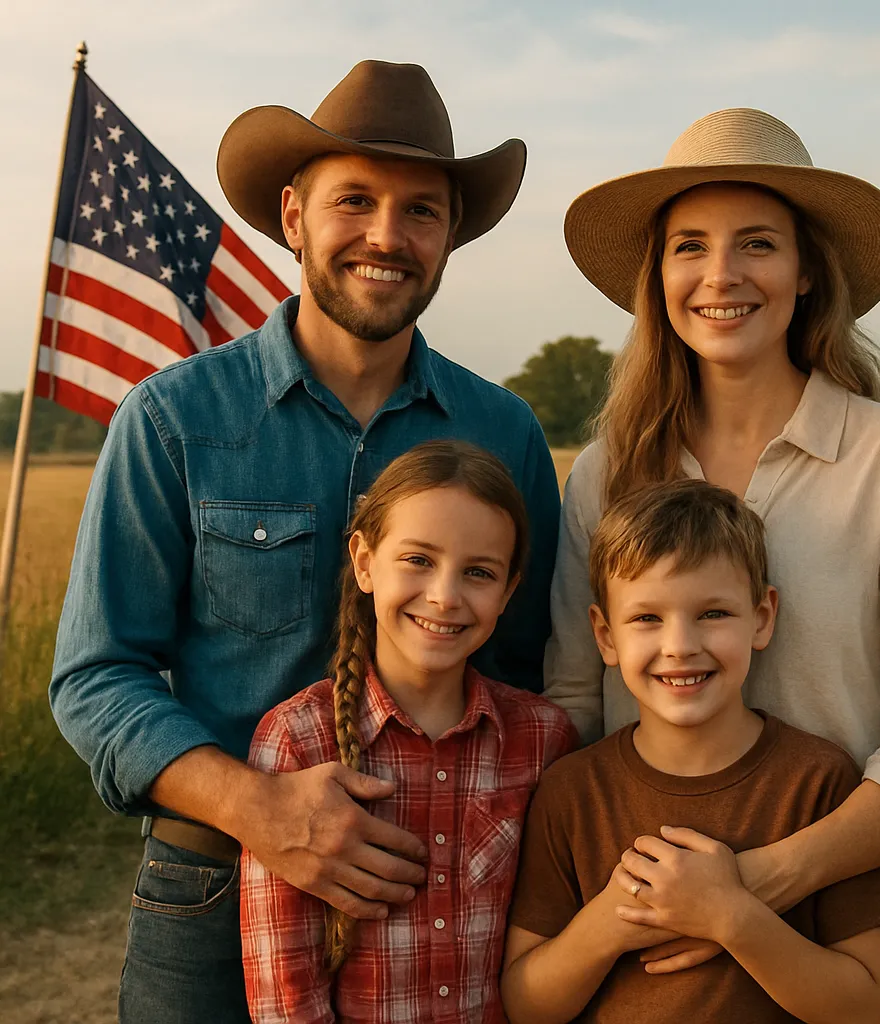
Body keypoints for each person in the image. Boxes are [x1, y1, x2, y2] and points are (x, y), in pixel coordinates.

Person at [49, 60, 560, 1023]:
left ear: (450, 236)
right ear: (292, 216)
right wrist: (260, 808)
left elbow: (534, 666)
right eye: (353, 200)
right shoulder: (173, 418)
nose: (386, 236)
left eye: (421, 211)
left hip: (447, 895)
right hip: (209, 882)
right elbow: (94, 675)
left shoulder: (505, 435)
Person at [543, 108, 880, 1022]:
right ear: (657, 277)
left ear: (805, 274)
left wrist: (763, 881)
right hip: (646, 911)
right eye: (689, 247)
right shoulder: (606, 473)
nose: (722, 275)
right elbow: (572, 705)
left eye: (758, 243)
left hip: (845, 912)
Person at [504, 479, 880, 1023]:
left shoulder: (819, 781)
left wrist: (732, 917)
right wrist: (609, 922)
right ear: (605, 635)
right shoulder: (571, 791)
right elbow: (527, 1006)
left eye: (713, 614)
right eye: (647, 618)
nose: (680, 646)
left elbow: (863, 1007)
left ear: (762, 618)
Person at [241, 440, 576, 1024]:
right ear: (365, 563)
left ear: (508, 592)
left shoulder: (544, 740)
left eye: (478, 572)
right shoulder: (299, 739)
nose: (445, 596)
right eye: (418, 560)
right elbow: (285, 993)